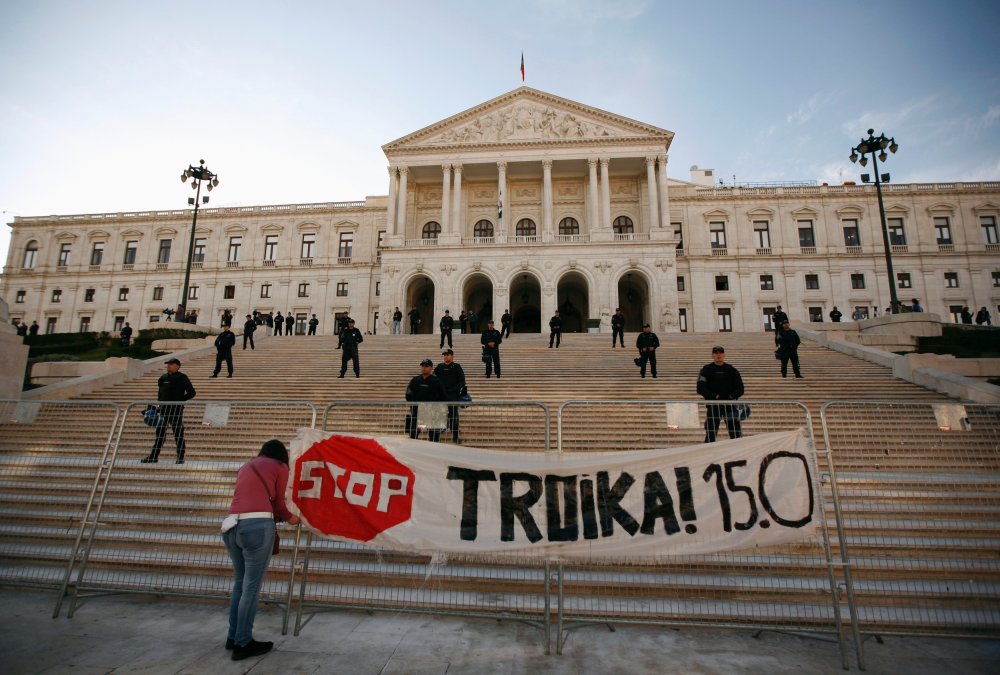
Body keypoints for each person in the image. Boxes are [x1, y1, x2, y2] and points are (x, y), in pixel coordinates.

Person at [222, 439, 300, 661]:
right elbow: (279, 505)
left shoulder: (247, 465)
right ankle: (243, 642)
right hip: (256, 528)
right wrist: (293, 519)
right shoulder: (280, 467)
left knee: (240, 582)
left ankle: (232, 636)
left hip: (231, 525)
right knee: (252, 587)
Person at [143, 358, 196, 464]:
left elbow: (192, 392)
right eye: (168, 364)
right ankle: (153, 456)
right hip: (163, 410)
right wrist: (159, 404)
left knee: (178, 433)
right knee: (160, 434)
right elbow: (160, 393)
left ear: (178, 366)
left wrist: (179, 401)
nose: (168, 366)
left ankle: (180, 457)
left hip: (175, 410)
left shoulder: (182, 377)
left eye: (171, 364)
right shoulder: (163, 378)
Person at [697, 346, 745, 443]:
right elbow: (700, 388)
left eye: (720, 353)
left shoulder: (731, 370)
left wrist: (731, 397)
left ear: (724, 355)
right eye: (716, 353)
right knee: (710, 435)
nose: (718, 355)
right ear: (712, 355)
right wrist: (714, 396)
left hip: (730, 406)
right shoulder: (706, 370)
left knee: (736, 434)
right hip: (714, 405)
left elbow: (740, 388)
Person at [405, 358, 447, 442]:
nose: (424, 368)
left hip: (432, 413)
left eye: (427, 366)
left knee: (433, 437)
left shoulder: (436, 381)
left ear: (431, 368)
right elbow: (408, 394)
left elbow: (443, 396)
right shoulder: (415, 380)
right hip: (417, 412)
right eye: (423, 366)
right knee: (413, 435)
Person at [434, 349, 467, 444]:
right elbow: (434, 378)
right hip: (441, 396)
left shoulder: (457, 367)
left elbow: (462, 382)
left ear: (452, 356)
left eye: (447, 355)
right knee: (439, 416)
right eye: (444, 355)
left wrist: (451, 390)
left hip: (452, 396)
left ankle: (455, 437)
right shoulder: (440, 367)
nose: (445, 356)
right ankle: (436, 437)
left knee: (453, 417)